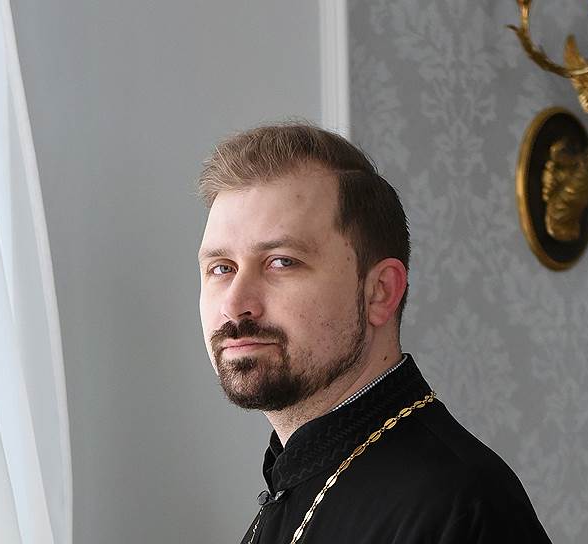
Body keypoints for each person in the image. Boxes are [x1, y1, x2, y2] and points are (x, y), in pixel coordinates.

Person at [196, 123, 551, 543]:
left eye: (281, 262)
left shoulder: (462, 506)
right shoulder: (287, 489)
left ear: (380, 292)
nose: (235, 303)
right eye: (221, 268)